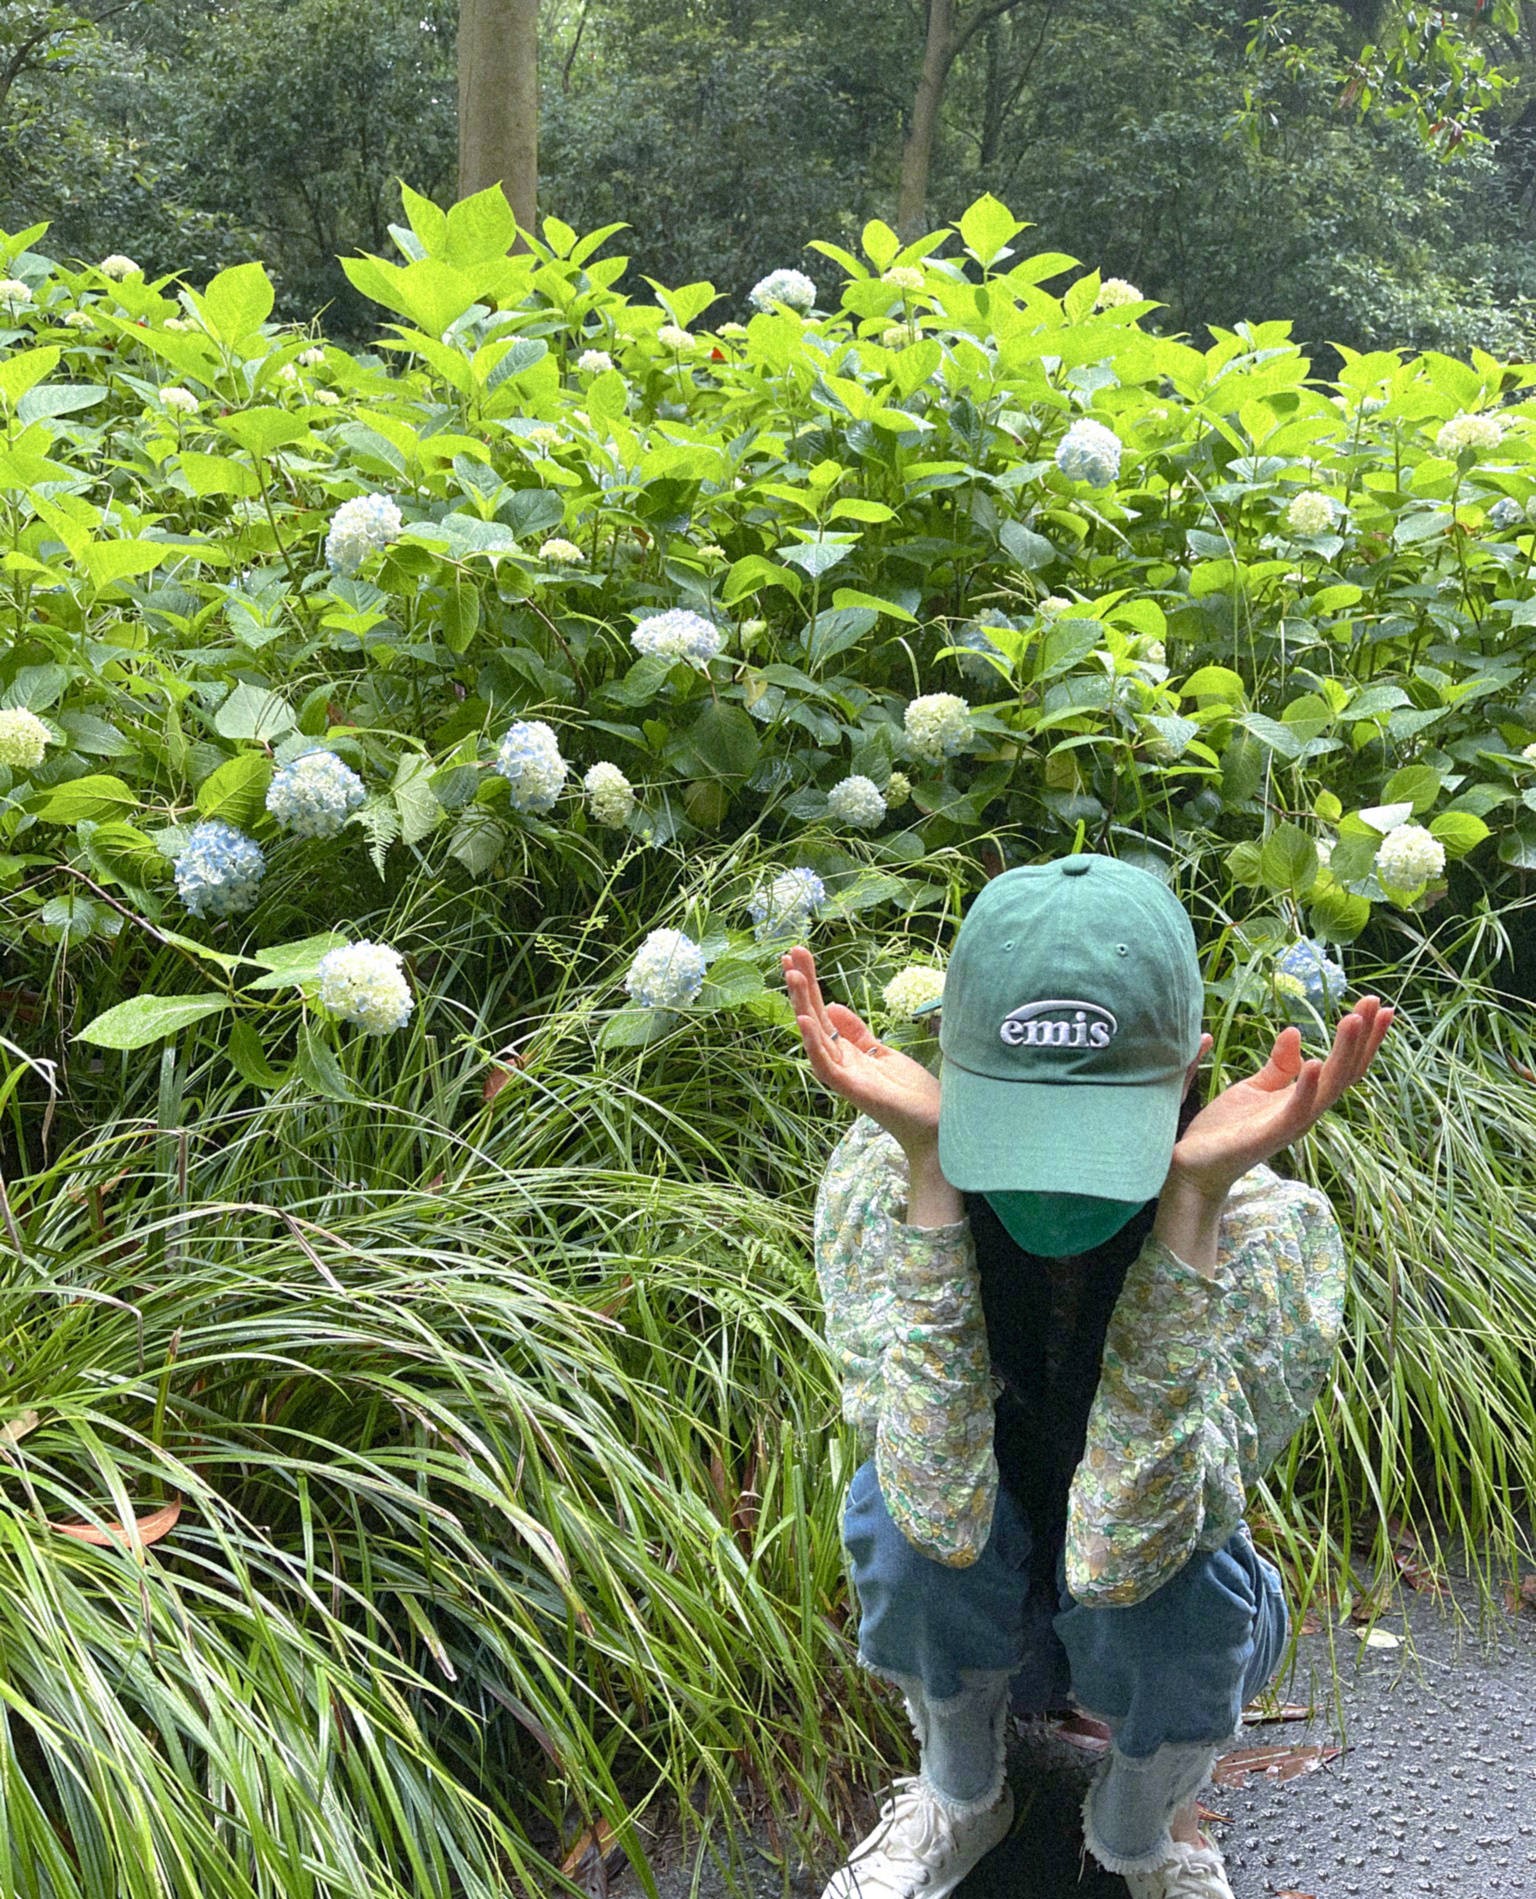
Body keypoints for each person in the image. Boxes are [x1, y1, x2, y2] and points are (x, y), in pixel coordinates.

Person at [785, 854, 1394, 1899]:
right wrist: (933, 1175)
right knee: (893, 1513)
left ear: (1192, 1071)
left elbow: (1128, 1550)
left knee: (1180, 1582)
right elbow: (930, 1507)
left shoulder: (1267, 1237)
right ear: (948, 1062)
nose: (1056, 1176)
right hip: (988, 1601)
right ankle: (962, 1791)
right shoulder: (881, 1184)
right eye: (1020, 1124)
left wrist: (1191, 1206)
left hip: (1157, 1615)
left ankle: (1146, 1822)